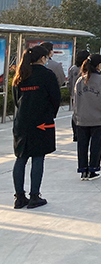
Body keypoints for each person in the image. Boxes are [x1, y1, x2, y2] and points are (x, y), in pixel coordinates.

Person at [12, 45, 61, 209]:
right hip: (41, 122)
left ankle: (19, 197)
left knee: (21, 158)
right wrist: (49, 114)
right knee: (38, 157)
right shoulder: (47, 75)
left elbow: (16, 100)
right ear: (42, 58)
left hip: (21, 122)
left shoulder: (20, 75)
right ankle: (34, 196)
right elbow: (55, 98)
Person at [73, 54, 101, 180]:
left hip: (82, 119)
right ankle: (92, 169)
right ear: (98, 65)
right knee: (96, 145)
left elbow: (75, 101)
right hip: (98, 119)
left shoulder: (80, 81)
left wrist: (76, 117)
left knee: (82, 145)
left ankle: (83, 170)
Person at [68, 50, 89, 142]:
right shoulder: (87, 69)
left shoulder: (73, 68)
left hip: (74, 94)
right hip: (85, 94)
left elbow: (69, 82)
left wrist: (71, 93)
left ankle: (75, 134)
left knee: (75, 114)